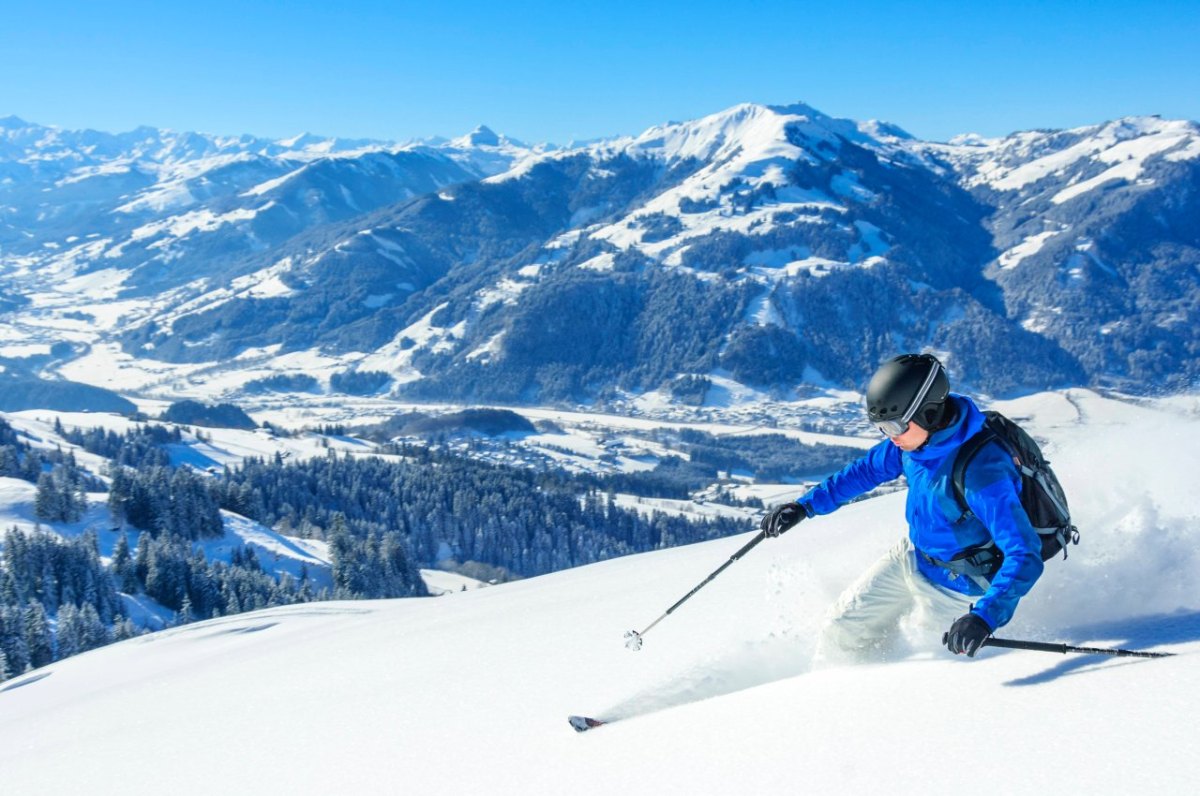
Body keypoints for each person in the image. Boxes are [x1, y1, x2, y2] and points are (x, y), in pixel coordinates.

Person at [761, 353, 1044, 661]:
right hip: (914, 557)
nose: (890, 437)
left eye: (895, 426)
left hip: (959, 587)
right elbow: (864, 471)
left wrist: (983, 617)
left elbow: (1024, 552)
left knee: (922, 661)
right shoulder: (914, 443)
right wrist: (804, 506)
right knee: (840, 632)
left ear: (929, 413)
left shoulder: (982, 472)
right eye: (883, 428)